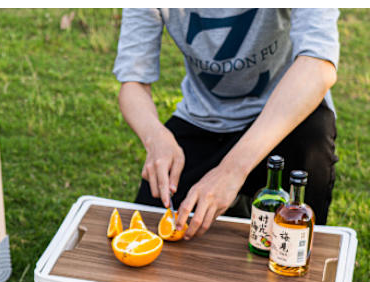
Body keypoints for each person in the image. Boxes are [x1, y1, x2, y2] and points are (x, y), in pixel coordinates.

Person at [113, 8, 339, 240]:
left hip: (280, 119)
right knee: (154, 230)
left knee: (313, 140)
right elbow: (133, 83)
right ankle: (236, 207)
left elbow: (317, 67)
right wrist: (156, 137)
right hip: (203, 120)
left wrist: (232, 170)